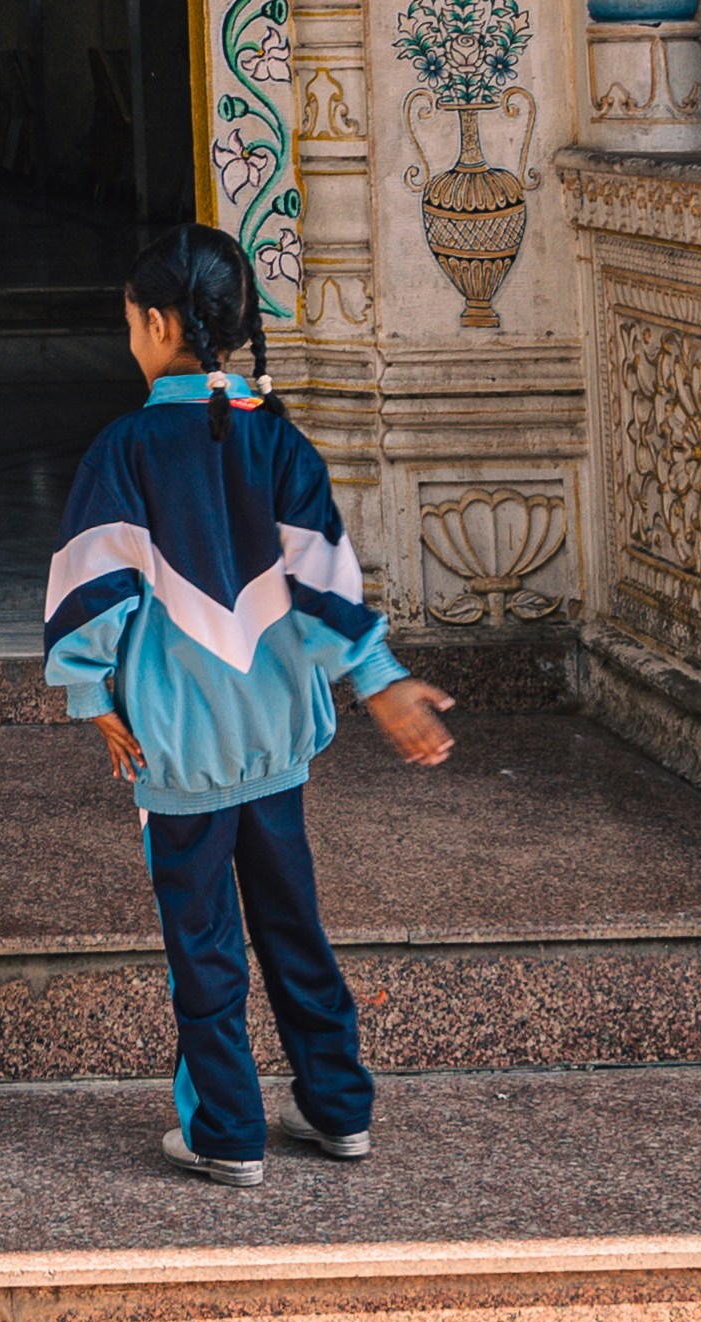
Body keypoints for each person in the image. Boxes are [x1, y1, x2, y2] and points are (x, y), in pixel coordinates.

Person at [43, 218, 454, 1185]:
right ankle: (340, 1109)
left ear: (151, 325)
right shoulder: (280, 441)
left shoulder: (128, 447)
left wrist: (91, 696)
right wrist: (380, 680)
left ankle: (226, 1131)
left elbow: (89, 591)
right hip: (274, 736)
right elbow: (327, 587)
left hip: (176, 751)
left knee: (205, 945)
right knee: (292, 925)